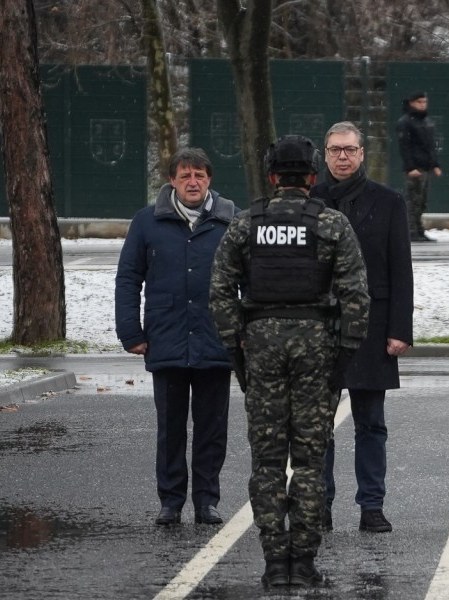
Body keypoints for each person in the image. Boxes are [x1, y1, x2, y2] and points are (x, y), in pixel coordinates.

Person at [210, 135, 369, 588]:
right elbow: (357, 294)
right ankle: (303, 561)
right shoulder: (331, 223)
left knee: (266, 461)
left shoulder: (245, 224)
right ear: (313, 176)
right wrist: (344, 354)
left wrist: (234, 345)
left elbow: (220, 290)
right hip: (316, 347)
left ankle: (273, 563)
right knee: (308, 461)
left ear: (273, 176)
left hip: (259, 345)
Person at [115, 148, 239, 527]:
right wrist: (130, 332)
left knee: (211, 428)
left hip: (215, 338)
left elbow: (251, 279)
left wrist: (243, 330)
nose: (192, 182)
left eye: (199, 175)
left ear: (209, 179)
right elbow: (128, 278)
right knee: (170, 428)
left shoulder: (231, 221)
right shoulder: (147, 222)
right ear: (171, 180)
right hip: (165, 337)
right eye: (185, 175)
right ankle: (170, 502)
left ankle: (206, 501)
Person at [312, 121, 413, 533]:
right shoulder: (308, 200)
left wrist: (400, 329)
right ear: (325, 154)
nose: (342, 157)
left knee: (371, 423)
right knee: (319, 426)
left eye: (349, 150)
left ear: (362, 153)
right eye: (335, 150)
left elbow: (400, 268)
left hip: (373, 327)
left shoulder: (388, 201)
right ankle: (320, 504)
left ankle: (372, 505)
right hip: (319, 329)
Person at [395, 92, 441, 242]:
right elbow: (405, 147)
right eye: (419, 101)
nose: (423, 104)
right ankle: (411, 230)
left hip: (426, 167)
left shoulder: (426, 121)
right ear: (412, 103)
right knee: (413, 200)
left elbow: (430, 146)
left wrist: (435, 164)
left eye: (424, 101)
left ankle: (419, 229)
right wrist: (410, 168)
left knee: (422, 201)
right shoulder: (406, 122)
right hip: (415, 168)